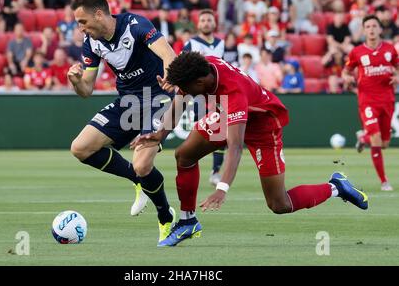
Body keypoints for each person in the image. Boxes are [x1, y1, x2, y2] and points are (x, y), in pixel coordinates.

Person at [132, 52, 369, 247]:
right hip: (227, 115)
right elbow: (178, 104)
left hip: (264, 125)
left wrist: (221, 189)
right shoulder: (201, 67)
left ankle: (336, 187)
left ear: (200, 83)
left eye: (186, 88)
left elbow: (235, 147)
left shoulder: (232, 91)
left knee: (279, 204)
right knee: (184, 155)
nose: (184, 92)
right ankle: (187, 222)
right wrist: (158, 135)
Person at [68, 0, 177, 243]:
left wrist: (170, 75)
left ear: (98, 14)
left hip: (158, 99)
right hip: (128, 104)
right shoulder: (92, 42)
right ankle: (136, 180)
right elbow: (86, 90)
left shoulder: (136, 25)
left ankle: (165, 216)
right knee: (80, 148)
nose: (81, 29)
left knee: (142, 165)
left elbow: (168, 54)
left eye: (82, 22)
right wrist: (75, 81)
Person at [341, 15, 398, 191]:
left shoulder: (390, 50)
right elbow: (346, 71)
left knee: (384, 143)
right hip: (367, 101)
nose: (371, 29)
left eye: (374, 26)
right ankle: (384, 181)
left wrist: (397, 76)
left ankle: (362, 137)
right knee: (376, 138)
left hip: (387, 100)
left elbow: (397, 68)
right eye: (368, 26)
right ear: (364, 30)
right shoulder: (357, 52)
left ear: (380, 29)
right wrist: (347, 78)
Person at [182, 9, 225, 187]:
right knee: (200, 135)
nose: (206, 23)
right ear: (198, 24)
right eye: (203, 20)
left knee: (221, 136)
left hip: (220, 94)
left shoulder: (221, 43)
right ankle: (191, 168)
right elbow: (181, 65)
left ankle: (215, 172)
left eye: (209, 20)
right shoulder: (191, 43)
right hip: (200, 96)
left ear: (214, 23)